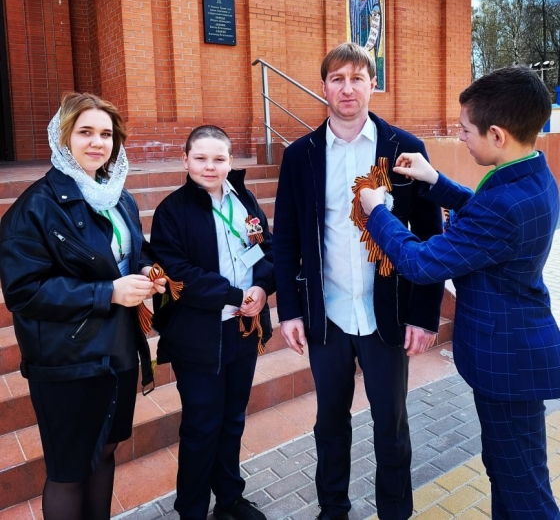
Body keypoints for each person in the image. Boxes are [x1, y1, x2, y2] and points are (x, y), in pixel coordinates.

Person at [359, 66, 560, 519]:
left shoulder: (508, 202)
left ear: (496, 134)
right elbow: (483, 212)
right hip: (517, 355)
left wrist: (376, 211)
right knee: (509, 471)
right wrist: (435, 181)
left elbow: (421, 262)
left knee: (525, 488)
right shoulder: (531, 176)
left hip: (506, 363)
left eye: (465, 130)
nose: (462, 138)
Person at [273, 42, 444, 520]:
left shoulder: (406, 150)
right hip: (327, 316)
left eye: (357, 78)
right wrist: (289, 309)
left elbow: (433, 238)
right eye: (336, 79)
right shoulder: (300, 156)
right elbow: (285, 240)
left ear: (373, 83)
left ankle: (394, 511)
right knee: (329, 424)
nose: (347, 88)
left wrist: (424, 315)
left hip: (387, 314)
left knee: (391, 425)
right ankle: (333, 510)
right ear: (324, 86)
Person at [0, 92, 166, 520]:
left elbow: (134, 251)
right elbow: (24, 292)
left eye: (107, 134)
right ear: (63, 137)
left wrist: (149, 271)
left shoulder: (117, 196)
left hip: (117, 350)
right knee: (69, 469)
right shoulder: (34, 207)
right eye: (85, 132)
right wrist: (107, 293)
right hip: (68, 359)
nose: (98, 142)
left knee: (105, 451)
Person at [149, 125, 275, 520]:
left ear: (230, 161)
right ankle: (191, 509)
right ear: (185, 161)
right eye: (200, 158)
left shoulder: (245, 200)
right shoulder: (172, 211)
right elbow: (178, 273)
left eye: (218, 158)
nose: (209, 166)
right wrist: (236, 295)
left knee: (233, 419)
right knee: (202, 426)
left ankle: (230, 499)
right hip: (200, 336)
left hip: (243, 329)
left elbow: (268, 250)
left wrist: (261, 289)